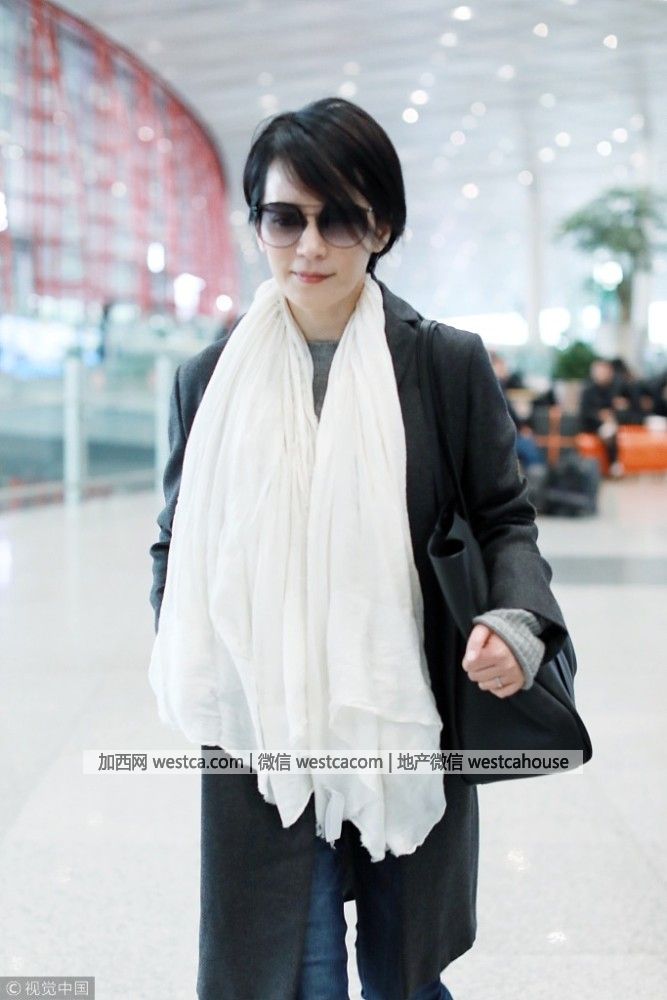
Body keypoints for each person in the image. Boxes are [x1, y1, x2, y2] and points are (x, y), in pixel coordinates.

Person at [148, 98, 568, 1000]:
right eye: (284, 218)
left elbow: (504, 518)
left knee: (400, 975)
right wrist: (200, 652)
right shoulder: (207, 379)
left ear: (380, 227)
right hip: (262, 731)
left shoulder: (444, 364)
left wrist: (513, 621)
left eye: (338, 218)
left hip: (402, 708)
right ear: (256, 223)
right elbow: (175, 542)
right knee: (292, 973)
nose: (309, 246)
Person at [579, 357, 641, 477]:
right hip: (593, 424)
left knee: (610, 429)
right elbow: (584, 413)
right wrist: (599, 416)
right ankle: (613, 463)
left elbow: (632, 407)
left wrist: (619, 409)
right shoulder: (588, 390)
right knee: (608, 431)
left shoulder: (618, 387)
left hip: (614, 422)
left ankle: (614, 465)